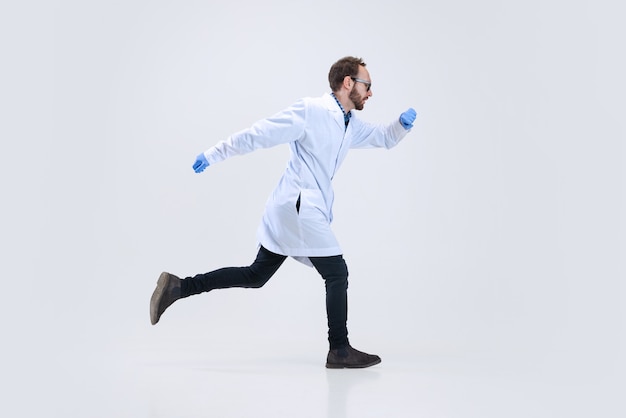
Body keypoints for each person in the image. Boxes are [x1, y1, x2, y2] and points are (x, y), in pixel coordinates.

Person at [150, 56, 417, 369]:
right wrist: (213, 154)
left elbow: (383, 137)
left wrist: (401, 125)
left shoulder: (350, 124)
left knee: (256, 275)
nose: (370, 93)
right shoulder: (311, 111)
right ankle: (339, 350)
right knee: (336, 272)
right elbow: (259, 133)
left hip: (297, 210)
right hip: (298, 207)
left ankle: (180, 286)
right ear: (348, 83)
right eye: (367, 85)